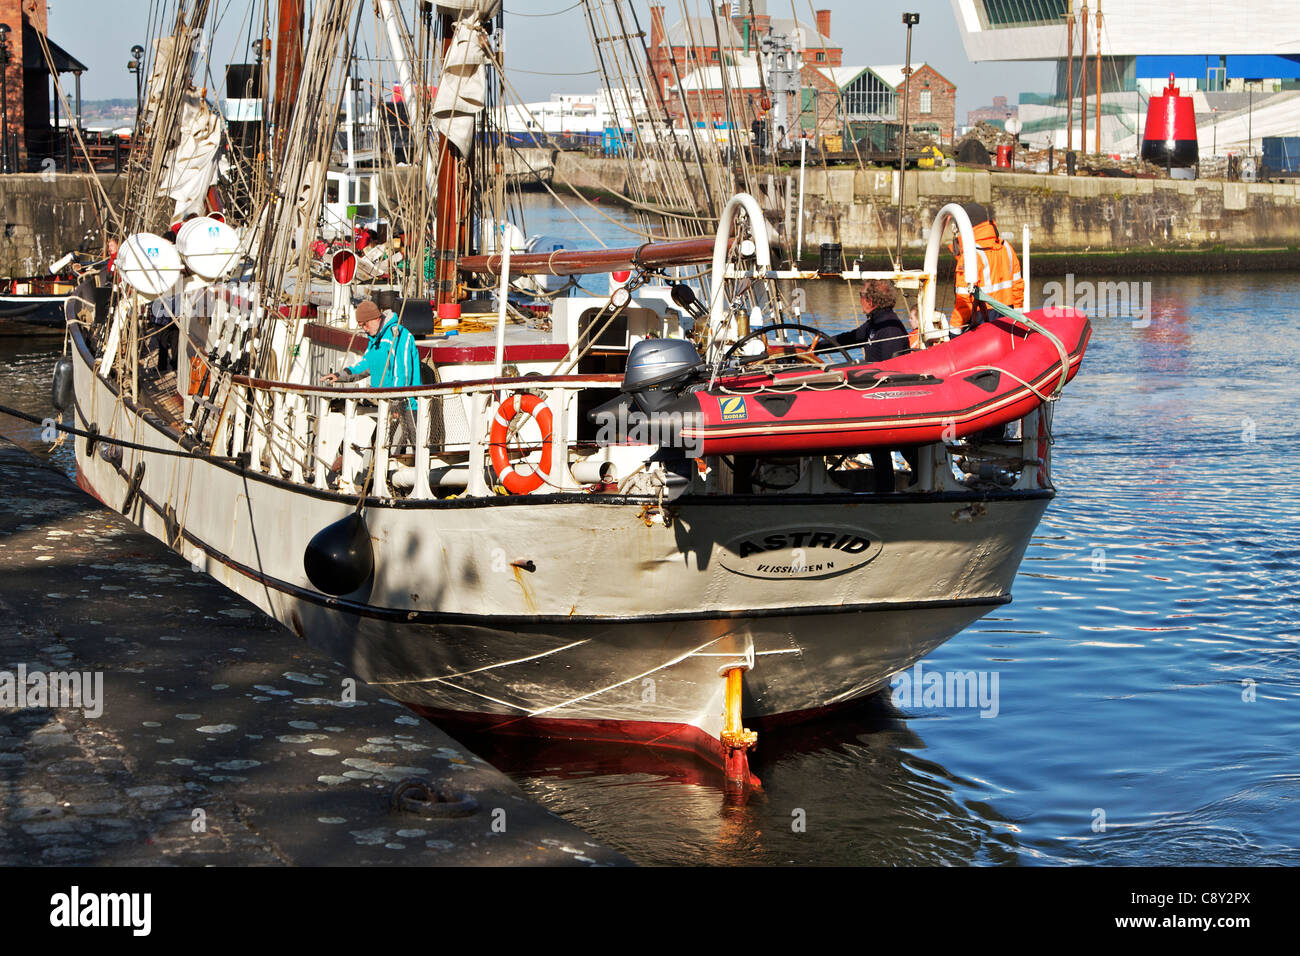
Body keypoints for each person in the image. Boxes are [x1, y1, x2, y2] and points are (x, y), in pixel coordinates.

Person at [321, 298, 422, 449]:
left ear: (375, 318)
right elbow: (364, 365)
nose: (365, 329)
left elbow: (402, 372)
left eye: (365, 324)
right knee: (380, 447)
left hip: (406, 405)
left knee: (417, 446)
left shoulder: (399, 335)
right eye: (361, 326)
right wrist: (340, 375)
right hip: (385, 403)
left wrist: (396, 402)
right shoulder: (375, 341)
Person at [950, 202, 1023, 331]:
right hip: (1008, 314)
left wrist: (954, 331)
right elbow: (1017, 286)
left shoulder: (969, 256)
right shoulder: (1006, 247)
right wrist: (1018, 316)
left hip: (981, 319)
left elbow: (963, 301)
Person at [834, 279, 911, 364]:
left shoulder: (890, 329)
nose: (859, 299)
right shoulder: (876, 322)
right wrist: (818, 347)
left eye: (861, 295)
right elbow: (849, 338)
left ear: (870, 300)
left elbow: (892, 369)